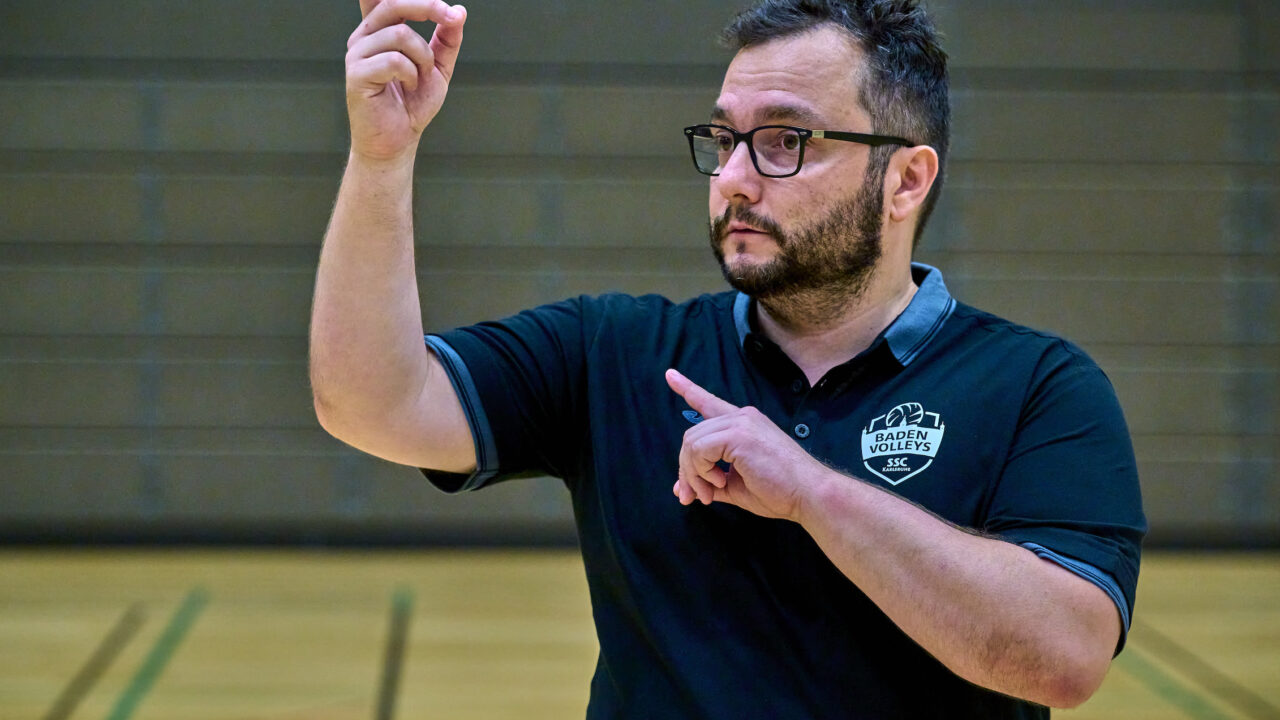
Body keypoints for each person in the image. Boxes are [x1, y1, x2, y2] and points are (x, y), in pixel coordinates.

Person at [310, 0, 1146, 716]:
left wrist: (813, 492)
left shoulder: (1039, 387)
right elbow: (370, 402)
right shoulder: (616, 351)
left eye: (784, 141)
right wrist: (382, 157)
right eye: (724, 138)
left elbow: (1065, 659)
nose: (734, 178)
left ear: (905, 181)